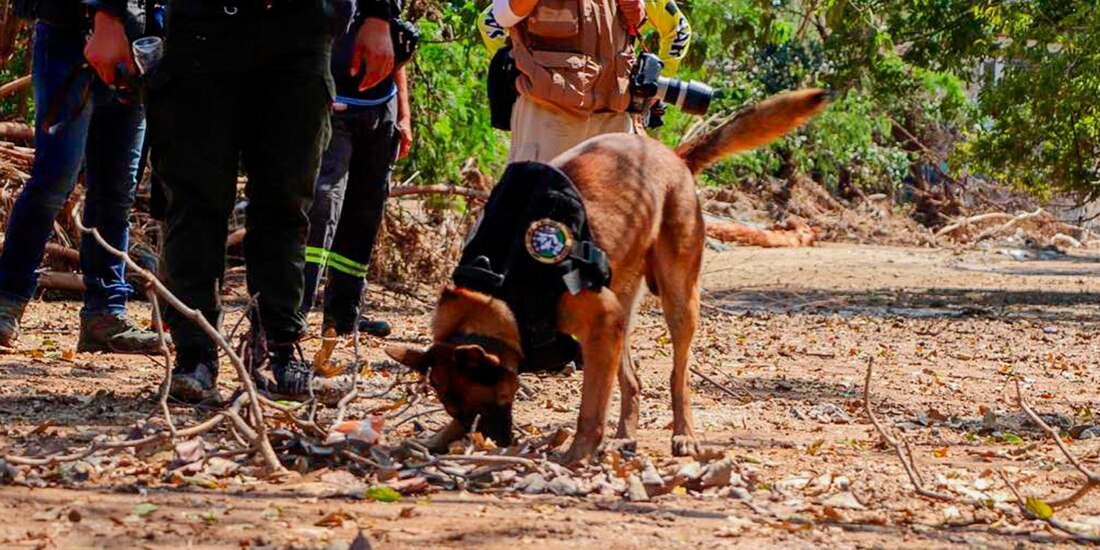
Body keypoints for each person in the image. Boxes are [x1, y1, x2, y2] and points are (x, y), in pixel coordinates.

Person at [93, 0, 401, 402]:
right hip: (201, 35)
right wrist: (109, 18)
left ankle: (279, 351)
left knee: (286, 203)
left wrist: (379, 16)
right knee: (194, 201)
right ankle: (195, 355)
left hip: (300, 34)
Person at [0, 0, 163, 354]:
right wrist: (107, 15)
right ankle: (7, 300)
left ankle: (105, 313)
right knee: (55, 177)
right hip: (68, 34)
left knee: (116, 190)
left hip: (138, 42)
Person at [301, 12, 413, 341]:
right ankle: (293, 317)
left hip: (380, 106)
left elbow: (392, 38)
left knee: (365, 213)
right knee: (321, 207)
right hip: (329, 99)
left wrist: (404, 113)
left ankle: (343, 317)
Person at [479, 0, 692, 162]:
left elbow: (680, 29)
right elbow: (493, 20)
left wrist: (658, 79)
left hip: (614, 116)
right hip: (551, 116)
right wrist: (521, 65)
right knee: (534, 209)